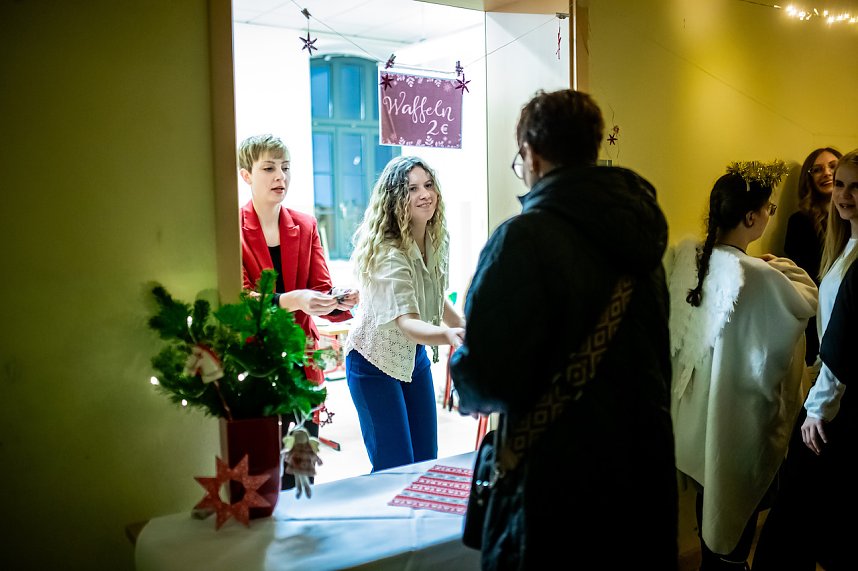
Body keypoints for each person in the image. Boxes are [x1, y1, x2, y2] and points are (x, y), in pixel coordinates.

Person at [449, 89, 678, 570]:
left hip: (555, 489)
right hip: (639, 478)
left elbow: (487, 378)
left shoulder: (522, 238)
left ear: (531, 154)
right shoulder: (643, 243)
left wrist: (464, 361)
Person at [667, 160, 818, 570]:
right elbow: (805, 301)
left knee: (708, 498)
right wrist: (781, 266)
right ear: (750, 217)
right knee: (735, 512)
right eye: (769, 209)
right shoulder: (758, 275)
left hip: (694, 418)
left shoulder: (690, 258)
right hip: (735, 419)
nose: (770, 215)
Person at [755, 149, 857, 571]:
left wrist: (818, 408)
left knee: (791, 522)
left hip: (837, 402)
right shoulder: (845, 245)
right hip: (830, 391)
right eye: (841, 185)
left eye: (855, 186)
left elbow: (846, 340)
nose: (844, 194)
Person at [237, 133, 358, 490]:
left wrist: (339, 300)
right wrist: (296, 299)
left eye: (286, 168)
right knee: (260, 480)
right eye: (269, 168)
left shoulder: (305, 225)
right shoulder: (231, 228)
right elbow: (241, 301)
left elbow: (319, 289)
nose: (281, 177)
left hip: (303, 366)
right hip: (255, 366)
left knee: (302, 474)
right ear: (246, 175)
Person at [344, 155, 465, 473]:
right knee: (395, 468)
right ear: (395, 199)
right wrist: (450, 335)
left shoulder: (437, 238)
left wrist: (466, 327)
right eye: (412, 189)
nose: (425, 194)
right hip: (372, 363)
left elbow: (434, 298)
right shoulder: (388, 251)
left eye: (428, 185)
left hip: (412, 358)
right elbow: (408, 322)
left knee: (426, 460)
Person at [784, 147, 842, 365]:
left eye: (833, 166)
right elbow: (802, 279)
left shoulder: (852, 218)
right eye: (817, 169)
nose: (826, 173)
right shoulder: (799, 222)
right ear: (808, 178)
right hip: (818, 315)